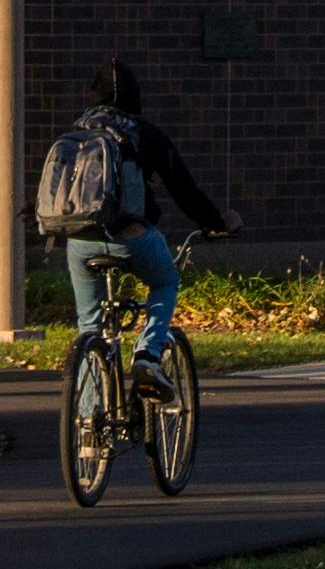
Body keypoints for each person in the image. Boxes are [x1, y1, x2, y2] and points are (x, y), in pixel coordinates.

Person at [55, 55, 227, 371]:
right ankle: (148, 355)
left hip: (80, 239)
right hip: (130, 235)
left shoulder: (77, 133)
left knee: (90, 324)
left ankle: (89, 412)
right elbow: (184, 190)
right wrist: (217, 223)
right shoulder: (145, 133)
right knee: (164, 282)